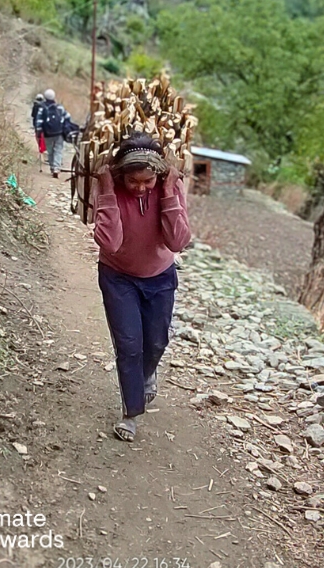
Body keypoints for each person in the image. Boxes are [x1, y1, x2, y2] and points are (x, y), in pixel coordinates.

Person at [92, 133, 192, 442]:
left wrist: (168, 194)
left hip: (160, 276)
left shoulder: (170, 187)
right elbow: (110, 242)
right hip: (118, 276)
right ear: (121, 175)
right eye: (133, 181)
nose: (140, 187)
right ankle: (131, 413)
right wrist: (108, 189)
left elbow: (178, 242)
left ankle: (147, 374)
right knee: (129, 345)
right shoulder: (109, 187)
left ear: (158, 175)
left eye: (147, 181)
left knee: (157, 342)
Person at [34, 89, 72, 178]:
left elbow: (38, 121)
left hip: (47, 133)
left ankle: (52, 167)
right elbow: (68, 117)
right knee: (58, 150)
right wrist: (65, 126)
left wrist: (39, 132)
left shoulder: (42, 108)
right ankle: (56, 168)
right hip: (59, 133)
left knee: (50, 151)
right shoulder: (59, 107)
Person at [31, 93, 47, 166]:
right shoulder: (44, 106)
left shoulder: (35, 105)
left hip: (36, 124)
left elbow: (32, 115)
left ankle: (40, 148)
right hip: (43, 125)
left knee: (37, 136)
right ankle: (43, 149)